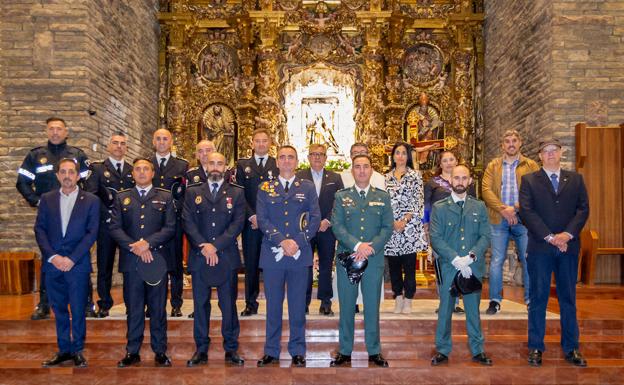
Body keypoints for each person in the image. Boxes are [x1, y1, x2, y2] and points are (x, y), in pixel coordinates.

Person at [519, 138, 589, 368]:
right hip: (541, 247)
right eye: (545, 151)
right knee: (538, 298)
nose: (550, 154)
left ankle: (571, 347)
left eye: (554, 150)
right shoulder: (529, 180)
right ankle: (536, 347)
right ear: (539, 155)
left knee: (568, 298)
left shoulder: (575, 179)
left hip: (568, 247)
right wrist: (550, 237)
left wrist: (566, 235)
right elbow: (527, 212)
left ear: (561, 153)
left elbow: (583, 209)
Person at [16, 117, 92, 320]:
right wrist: (37, 201)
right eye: (52, 129)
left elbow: (90, 183)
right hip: (50, 216)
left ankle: (86, 303)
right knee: (49, 257)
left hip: (75, 214)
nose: (56, 132)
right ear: (47, 131)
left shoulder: (77, 155)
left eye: (59, 129)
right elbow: (22, 182)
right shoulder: (35, 156)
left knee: (80, 255)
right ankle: (44, 304)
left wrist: (85, 205)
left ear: (66, 132)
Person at [255, 145, 321, 368]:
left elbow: (315, 218)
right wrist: (282, 241)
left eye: (290, 157)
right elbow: (262, 219)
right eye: (282, 157)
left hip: (299, 255)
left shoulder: (308, 187)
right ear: (277, 161)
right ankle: (271, 351)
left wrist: (297, 242)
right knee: (273, 305)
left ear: (296, 161)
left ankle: (298, 350)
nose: (286, 161)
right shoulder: (265, 187)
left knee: (297, 305)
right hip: (273, 254)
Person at [109, 158, 176, 368]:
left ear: (153, 173)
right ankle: (132, 351)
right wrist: (135, 246)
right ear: (132, 173)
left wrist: (147, 244)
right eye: (137, 169)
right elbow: (114, 228)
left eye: (146, 168)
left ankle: (160, 351)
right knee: (134, 308)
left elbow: (170, 227)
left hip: (156, 261)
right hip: (132, 262)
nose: (141, 172)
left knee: (157, 308)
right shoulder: (122, 198)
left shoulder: (165, 197)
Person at [182, 152, 246, 367]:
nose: (216, 167)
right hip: (200, 257)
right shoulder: (192, 192)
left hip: (225, 256)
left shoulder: (236, 193)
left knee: (228, 305)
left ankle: (231, 349)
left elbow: (237, 223)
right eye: (212, 163)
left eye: (220, 163)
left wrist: (216, 246)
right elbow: (187, 221)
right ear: (205, 165)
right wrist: (204, 246)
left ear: (226, 167)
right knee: (200, 305)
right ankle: (201, 349)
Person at [330, 154, 394, 368]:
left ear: (371, 170)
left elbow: (387, 227)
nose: (362, 171)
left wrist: (371, 247)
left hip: (373, 259)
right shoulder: (341, 196)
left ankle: (374, 350)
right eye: (357, 167)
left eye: (366, 166)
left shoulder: (382, 197)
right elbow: (337, 226)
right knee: (346, 305)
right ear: (352, 171)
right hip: (348, 258)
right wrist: (358, 246)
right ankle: (345, 351)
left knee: (372, 306)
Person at [35, 158, 100, 368]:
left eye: (71, 172)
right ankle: (64, 350)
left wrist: (72, 258)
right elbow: (40, 230)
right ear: (57, 175)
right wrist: (53, 257)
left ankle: (78, 350)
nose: (67, 176)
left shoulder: (90, 200)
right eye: (63, 172)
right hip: (53, 265)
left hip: (77, 264)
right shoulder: (47, 199)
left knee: (79, 308)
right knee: (59, 308)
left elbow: (92, 232)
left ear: (78, 175)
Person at [429, 165, 492, 367]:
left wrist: (471, 257)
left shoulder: (479, 206)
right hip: (449, 265)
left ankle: (477, 349)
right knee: (446, 308)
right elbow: (435, 238)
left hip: (472, 266)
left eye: (464, 178)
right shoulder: (440, 207)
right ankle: (443, 349)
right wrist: (456, 259)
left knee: (473, 309)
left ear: (470, 181)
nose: (460, 181)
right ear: (450, 180)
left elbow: (485, 235)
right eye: (457, 178)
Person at [482, 129, 539, 314]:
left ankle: (531, 300)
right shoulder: (493, 165)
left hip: (524, 219)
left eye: (514, 140)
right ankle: (495, 301)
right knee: (497, 260)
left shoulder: (530, 165)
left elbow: (536, 191)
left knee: (528, 259)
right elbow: (486, 190)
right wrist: (502, 209)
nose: (511, 144)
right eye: (507, 141)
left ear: (520, 143)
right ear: (502, 145)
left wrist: (514, 208)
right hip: (499, 219)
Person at [85, 132, 135, 318]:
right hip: (106, 226)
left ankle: (132, 303)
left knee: (129, 267)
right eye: (115, 143)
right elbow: (90, 196)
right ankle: (104, 303)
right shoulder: (97, 169)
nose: (119, 146)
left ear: (126, 148)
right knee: (104, 266)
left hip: (128, 227)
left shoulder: (132, 169)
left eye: (122, 143)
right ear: (108, 146)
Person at [424, 150, 475, 314]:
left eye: (451, 159)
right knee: (441, 267)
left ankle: (457, 301)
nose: (448, 163)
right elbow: (425, 207)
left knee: (460, 264)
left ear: (456, 161)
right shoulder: (432, 183)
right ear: (440, 164)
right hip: (439, 230)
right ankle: (445, 301)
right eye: (444, 160)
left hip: (461, 229)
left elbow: (473, 204)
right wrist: (426, 228)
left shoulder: (466, 183)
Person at [235, 128, 279, 316]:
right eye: (257, 141)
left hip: (271, 224)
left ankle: (274, 302)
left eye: (264, 141)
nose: (261, 144)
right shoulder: (242, 165)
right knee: (251, 264)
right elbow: (239, 194)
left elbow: (280, 194)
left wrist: (265, 219)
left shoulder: (277, 164)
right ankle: (250, 303)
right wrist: (252, 216)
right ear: (252, 143)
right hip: (251, 224)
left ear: (270, 143)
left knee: (272, 264)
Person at [296, 144, 344, 315]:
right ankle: (304, 302)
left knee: (326, 266)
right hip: (305, 229)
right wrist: (308, 222)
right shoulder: (299, 176)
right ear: (308, 157)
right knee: (305, 266)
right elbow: (296, 202)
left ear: (325, 158)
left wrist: (327, 220)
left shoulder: (335, 177)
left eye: (321, 154)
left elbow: (340, 202)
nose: (317, 157)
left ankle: (325, 301)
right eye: (313, 154)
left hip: (326, 229)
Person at [384, 142, 427, 314]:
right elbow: (383, 203)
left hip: (409, 228)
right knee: (394, 266)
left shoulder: (416, 176)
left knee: (409, 266)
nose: (400, 156)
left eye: (403, 153)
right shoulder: (385, 178)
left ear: (408, 156)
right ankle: (398, 297)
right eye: (397, 153)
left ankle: (408, 298)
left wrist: (405, 220)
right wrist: (393, 222)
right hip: (392, 228)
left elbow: (419, 200)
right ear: (393, 156)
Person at [151, 128, 188, 317]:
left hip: (174, 219)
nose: (162, 142)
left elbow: (184, 194)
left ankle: (176, 303)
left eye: (165, 139)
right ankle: (152, 304)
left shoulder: (182, 165)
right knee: (152, 262)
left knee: (174, 264)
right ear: (153, 141)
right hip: (151, 221)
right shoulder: (145, 164)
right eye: (158, 139)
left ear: (171, 142)